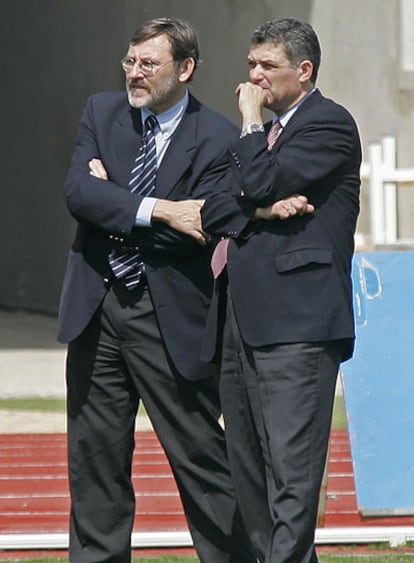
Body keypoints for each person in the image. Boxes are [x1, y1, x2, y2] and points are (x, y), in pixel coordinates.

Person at [57, 16, 265, 563]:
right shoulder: (102, 112)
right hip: (97, 310)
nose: (135, 73)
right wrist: (158, 211)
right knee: (94, 461)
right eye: (130, 61)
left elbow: (201, 231)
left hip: (168, 316)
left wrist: (118, 205)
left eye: (149, 64)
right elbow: (79, 194)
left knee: (201, 459)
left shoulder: (218, 137)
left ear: (186, 68)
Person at [200, 18, 362, 563]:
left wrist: (248, 129)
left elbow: (260, 179)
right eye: (251, 65)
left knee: (292, 481)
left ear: (304, 70)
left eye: (267, 66)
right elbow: (216, 207)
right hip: (240, 324)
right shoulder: (258, 142)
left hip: (298, 328)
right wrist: (263, 209)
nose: (254, 77)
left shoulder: (329, 125)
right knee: (250, 478)